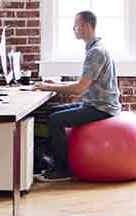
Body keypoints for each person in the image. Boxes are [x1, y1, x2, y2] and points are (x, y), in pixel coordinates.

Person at [34, 10, 121, 182]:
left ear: (86, 26)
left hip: (102, 108)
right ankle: (49, 161)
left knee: (55, 120)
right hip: (93, 103)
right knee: (50, 111)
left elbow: (79, 89)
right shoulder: (95, 47)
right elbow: (84, 83)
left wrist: (48, 87)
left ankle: (63, 169)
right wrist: (52, 85)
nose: (74, 29)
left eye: (76, 26)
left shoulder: (96, 52)